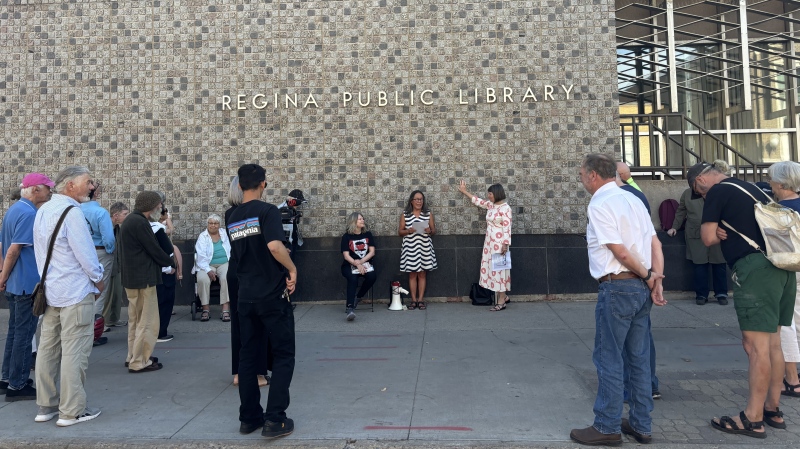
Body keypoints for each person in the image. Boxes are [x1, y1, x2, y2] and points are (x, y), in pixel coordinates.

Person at [691, 160, 796, 437]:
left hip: (755, 270)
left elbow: (707, 238)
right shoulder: (753, 188)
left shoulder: (717, 191)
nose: (702, 196)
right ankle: (773, 409)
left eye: (698, 191)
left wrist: (716, 234)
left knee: (755, 346)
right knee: (773, 342)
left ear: (701, 180)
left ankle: (752, 418)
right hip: (782, 268)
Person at [570, 154, 666, 446]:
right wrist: (656, 278)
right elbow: (655, 243)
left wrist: (649, 274)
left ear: (594, 176)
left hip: (618, 286)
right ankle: (641, 425)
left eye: (582, 174)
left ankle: (607, 426)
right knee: (638, 359)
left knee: (609, 358)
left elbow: (620, 252)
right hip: (641, 288)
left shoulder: (600, 203)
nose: (581, 179)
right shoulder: (634, 199)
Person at [227, 164, 297, 438]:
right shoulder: (267, 211)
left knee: (248, 357)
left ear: (240, 185)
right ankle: (275, 419)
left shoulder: (232, 216)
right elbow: (274, 246)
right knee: (283, 355)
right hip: (271, 294)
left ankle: (249, 418)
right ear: (263, 184)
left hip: (245, 296)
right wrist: (292, 269)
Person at [32, 166, 105, 426]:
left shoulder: (43, 211)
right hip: (75, 292)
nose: (92, 186)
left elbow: (40, 254)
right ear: (70, 186)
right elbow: (86, 254)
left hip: (50, 293)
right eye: (88, 182)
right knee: (75, 353)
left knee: (47, 351)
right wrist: (99, 278)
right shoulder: (72, 212)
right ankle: (72, 411)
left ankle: (46, 406)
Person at [0, 173, 53, 402]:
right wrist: (3, 277)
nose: (50, 192)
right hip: (26, 284)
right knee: (24, 334)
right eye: (47, 188)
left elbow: (3, 246)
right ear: (35, 190)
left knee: (14, 332)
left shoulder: (13, 210)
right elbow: (14, 249)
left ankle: (7, 378)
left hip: (15, 282)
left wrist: (3, 276)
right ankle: (17, 384)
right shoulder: (29, 213)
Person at [118, 191, 175, 373]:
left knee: (135, 320)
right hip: (144, 279)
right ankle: (139, 361)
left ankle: (133, 356)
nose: (160, 208)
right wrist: (170, 262)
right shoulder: (140, 222)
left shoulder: (131, 220)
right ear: (151, 205)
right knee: (147, 321)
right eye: (159, 205)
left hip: (132, 278)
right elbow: (154, 248)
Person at [225, 177, 270, 388]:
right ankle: (259, 372)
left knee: (238, 323)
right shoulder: (259, 212)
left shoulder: (229, 214)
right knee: (258, 322)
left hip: (234, 270)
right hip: (254, 273)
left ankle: (239, 372)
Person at [765, 161, 800, 399]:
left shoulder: (776, 211)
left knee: (786, 321)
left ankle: (792, 378)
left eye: (770, 180)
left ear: (779, 182)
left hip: (790, 267)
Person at [666, 188, 728, 305]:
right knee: (699, 265)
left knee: (719, 263)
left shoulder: (719, 191)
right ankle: (701, 295)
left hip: (717, 232)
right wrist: (675, 227)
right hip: (695, 233)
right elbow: (681, 211)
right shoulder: (688, 193)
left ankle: (721, 294)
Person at [457, 180, 512, 311]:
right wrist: (464, 191)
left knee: (500, 271)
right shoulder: (491, 206)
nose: (488, 196)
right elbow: (478, 201)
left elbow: (507, 227)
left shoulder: (506, 208)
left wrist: (505, 244)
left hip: (499, 244)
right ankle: (503, 297)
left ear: (497, 194)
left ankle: (501, 301)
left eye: (490, 194)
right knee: (494, 270)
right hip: (489, 243)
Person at [79, 181, 115, 347]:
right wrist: (110, 250)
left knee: (82, 289)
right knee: (101, 288)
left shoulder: (76, 210)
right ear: (96, 193)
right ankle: (94, 330)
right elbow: (108, 238)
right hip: (100, 251)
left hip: (81, 252)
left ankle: (81, 326)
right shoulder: (100, 212)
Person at [398, 190, 437, 310]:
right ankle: (413, 300)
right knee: (412, 274)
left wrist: (429, 231)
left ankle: (421, 300)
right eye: (417, 199)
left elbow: (434, 230)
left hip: (424, 246)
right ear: (411, 201)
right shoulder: (405, 214)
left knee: (422, 273)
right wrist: (408, 231)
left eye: (421, 199)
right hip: (410, 248)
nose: (419, 202)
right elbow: (400, 232)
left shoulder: (428, 213)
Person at [193, 214, 231, 322]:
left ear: (219, 225)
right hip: (207, 264)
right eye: (211, 223)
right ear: (207, 224)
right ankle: (205, 309)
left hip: (224, 263)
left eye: (216, 223)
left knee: (227, 277)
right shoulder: (202, 236)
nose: (213, 225)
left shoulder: (224, 234)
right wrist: (208, 270)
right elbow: (201, 256)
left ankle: (225, 309)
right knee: (202, 279)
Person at [341, 212, 377, 321]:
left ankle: (358, 297)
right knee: (353, 278)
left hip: (364, 263)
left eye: (363, 218)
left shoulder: (367, 234)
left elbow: (372, 252)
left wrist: (360, 262)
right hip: (349, 264)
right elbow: (346, 256)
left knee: (372, 276)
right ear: (354, 222)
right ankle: (350, 308)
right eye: (360, 219)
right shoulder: (346, 236)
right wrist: (356, 263)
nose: (363, 220)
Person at [152, 203, 178, 342]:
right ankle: (161, 332)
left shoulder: (145, 227)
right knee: (165, 302)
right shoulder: (158, 229)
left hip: (152, 271)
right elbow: (167, 249)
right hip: (163, 270)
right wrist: (169, 267)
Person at [103, 202, 130, 329]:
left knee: (116, 294)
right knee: (107, 295)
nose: (127, 216)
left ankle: (113, 319)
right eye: (125, 214)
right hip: (107, 263)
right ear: (116, 215)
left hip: (117, 264)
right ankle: (102, 322)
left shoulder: (118, 228)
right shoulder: (106, 226)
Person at [278, 189, 307, 259]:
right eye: (298, 203)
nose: (298, 206)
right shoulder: (283, 210)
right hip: (285, 244)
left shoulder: (291, 210)